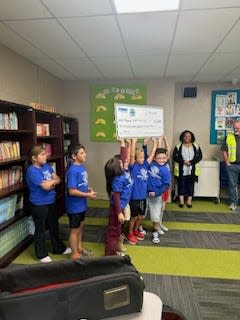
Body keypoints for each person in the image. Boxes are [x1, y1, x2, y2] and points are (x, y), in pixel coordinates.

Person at [25, 144, 69, 263]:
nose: (46, 156)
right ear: (34, 158)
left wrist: (51, 183)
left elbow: (58, 179)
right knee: (40, 229)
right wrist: (51, 183)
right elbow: (45, 186)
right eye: (42, 154)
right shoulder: (32, 171)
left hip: (51, 201)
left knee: (54, 226)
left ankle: (58, 248)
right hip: (39, 204)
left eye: (45, 154)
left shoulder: (47, 166)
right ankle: (41, 254)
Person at [65, 144, 97, 260]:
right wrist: (88, 195)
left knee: (80, 228)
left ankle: (79, 248)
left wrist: (88, 190)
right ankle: (74, 254)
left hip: (81, 205)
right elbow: (72, 191)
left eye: (85, 152)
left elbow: (80, 185)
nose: (85, 155)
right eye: (82, 153)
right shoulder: (73, 170)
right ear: (74, 156)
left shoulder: (81, 167)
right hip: (74, 206)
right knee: (74, 230)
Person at [127, 137, 157, 245]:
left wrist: (155, 143)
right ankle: (130, 233)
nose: (143, 159)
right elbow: (130, 155)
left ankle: (135, 231)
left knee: (141, 216)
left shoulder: (145, 165)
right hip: (134, 197)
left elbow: (152, 155)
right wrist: (133, 142)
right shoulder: (133, 167)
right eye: (140, 157)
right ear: (135, 158)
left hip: (143, 197)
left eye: (143, 157)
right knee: (133, 217)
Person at [104, 150, 131, 255]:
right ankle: (110, 255)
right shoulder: (118, 179)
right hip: (117, 208)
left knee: (117, 230)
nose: (123, 162)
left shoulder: (123, 172)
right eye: (120, 162)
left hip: (121, 206)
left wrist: (123, 143)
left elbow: (124, 157)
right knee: (113, 232)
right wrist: (119, 212)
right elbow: (116, 196)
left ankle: (113, 251)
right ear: (117, 168)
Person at [147, 147, 171, 244]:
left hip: (156, 196)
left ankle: (155, 232)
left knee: (155, 215)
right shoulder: (150, 164)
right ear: (155, 158)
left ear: (166, 158)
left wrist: (156, 193)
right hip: (145, 194)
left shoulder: (165, 170)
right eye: (159, 158)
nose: (161, 160)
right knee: (141, 213)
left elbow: (166, 185)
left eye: (163, 158)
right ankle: (138, 228)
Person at [172, 130, 202, 208]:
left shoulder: (196, 146)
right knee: (181, 185)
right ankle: (181, 202)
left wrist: (191, 162)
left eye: (189, 136)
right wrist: (183, 162)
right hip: (181, 169)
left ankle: (189, 202)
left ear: (191, 137)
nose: (187, 137)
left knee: (190, 185)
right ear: (182, 137)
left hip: (192, 169)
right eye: (185, 136)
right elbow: (174, 157)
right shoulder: (178, 146)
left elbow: (199, 157)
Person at [221, 120, 240, 210]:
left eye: (238, 128)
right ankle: (233, 203)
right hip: (232, 165)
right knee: (233, 185)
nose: (236, 129)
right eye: (235, 128)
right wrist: (227, 163)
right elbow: (224, 150)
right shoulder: (229, 137)